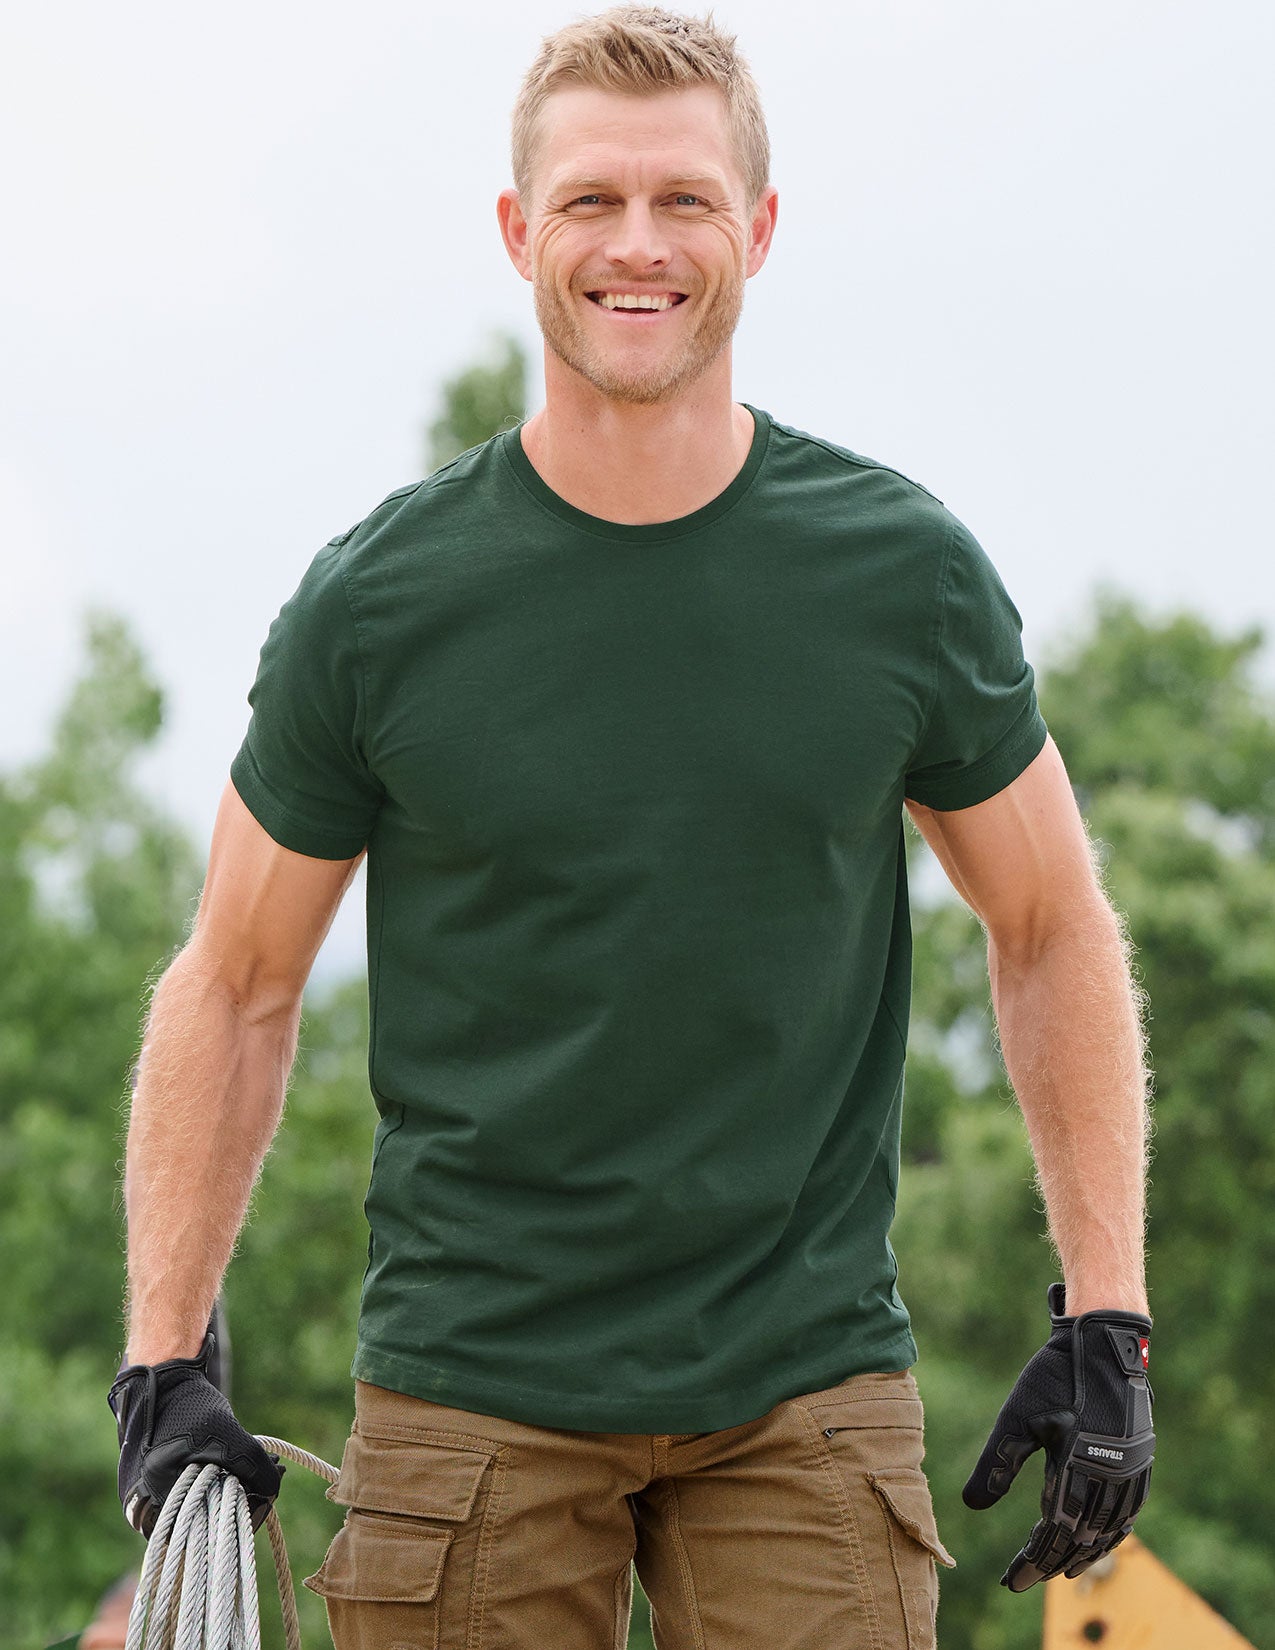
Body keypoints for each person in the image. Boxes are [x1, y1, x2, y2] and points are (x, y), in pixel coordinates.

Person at [109, 9, 1155, 1648]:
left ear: (760, 228)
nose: (639, 244)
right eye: (591, 200)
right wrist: (162, 1354)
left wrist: (1111, 1315)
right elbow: (236, 975)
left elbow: (1049, 926)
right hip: (471, 1388)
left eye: (684, 199)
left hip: (804, 1383)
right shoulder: (379, 603)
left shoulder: (903, 576)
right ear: (521, 233)